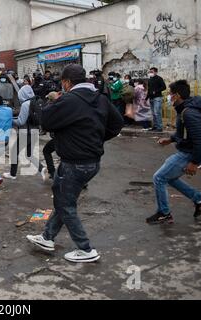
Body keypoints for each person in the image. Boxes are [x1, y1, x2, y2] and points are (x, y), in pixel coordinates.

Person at [26, 64, 124, 263]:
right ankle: (47, 237)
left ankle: (86, 249)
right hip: (91, 161)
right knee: (63, 200)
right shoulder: (101, 98)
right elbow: (117, 124)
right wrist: (95, 139)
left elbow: (46, 122)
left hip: (75, 163)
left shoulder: (69, 99)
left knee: (65, 205)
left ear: (66, 82)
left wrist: (52, 101)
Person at [147, 80, 201, 224]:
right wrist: (171, 139)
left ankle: (164, 213)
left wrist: (194, 163)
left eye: (170, 93)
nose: (168, 96)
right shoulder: (185, 109)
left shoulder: (189, 113)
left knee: (159, 178)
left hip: (188, 153)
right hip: (186, 150)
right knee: (169, 177)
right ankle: (200, 200)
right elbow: (186, 134)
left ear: (178, 95)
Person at [3, 85, 48, 181]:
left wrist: (9, 120)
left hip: (26, 133)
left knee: (14, 152)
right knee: (29, 154)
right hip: (35, 131)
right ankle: (42, 168)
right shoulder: (37, 101)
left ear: (22, 94)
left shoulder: (25, 104)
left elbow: (20, 122)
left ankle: (12, 174)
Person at [147, 67, 167, 132]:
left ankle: (159, 127)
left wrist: (156, 91)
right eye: (150, 72)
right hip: (151, 98)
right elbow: (149, 89)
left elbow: (164, 87)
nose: (150, 73)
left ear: (156, 72)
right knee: (153, 113)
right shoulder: (150, 79)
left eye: (152, 72)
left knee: (157, 112)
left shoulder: (159, 78)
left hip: (157, 98)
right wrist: (146, 98)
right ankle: (155, 126)